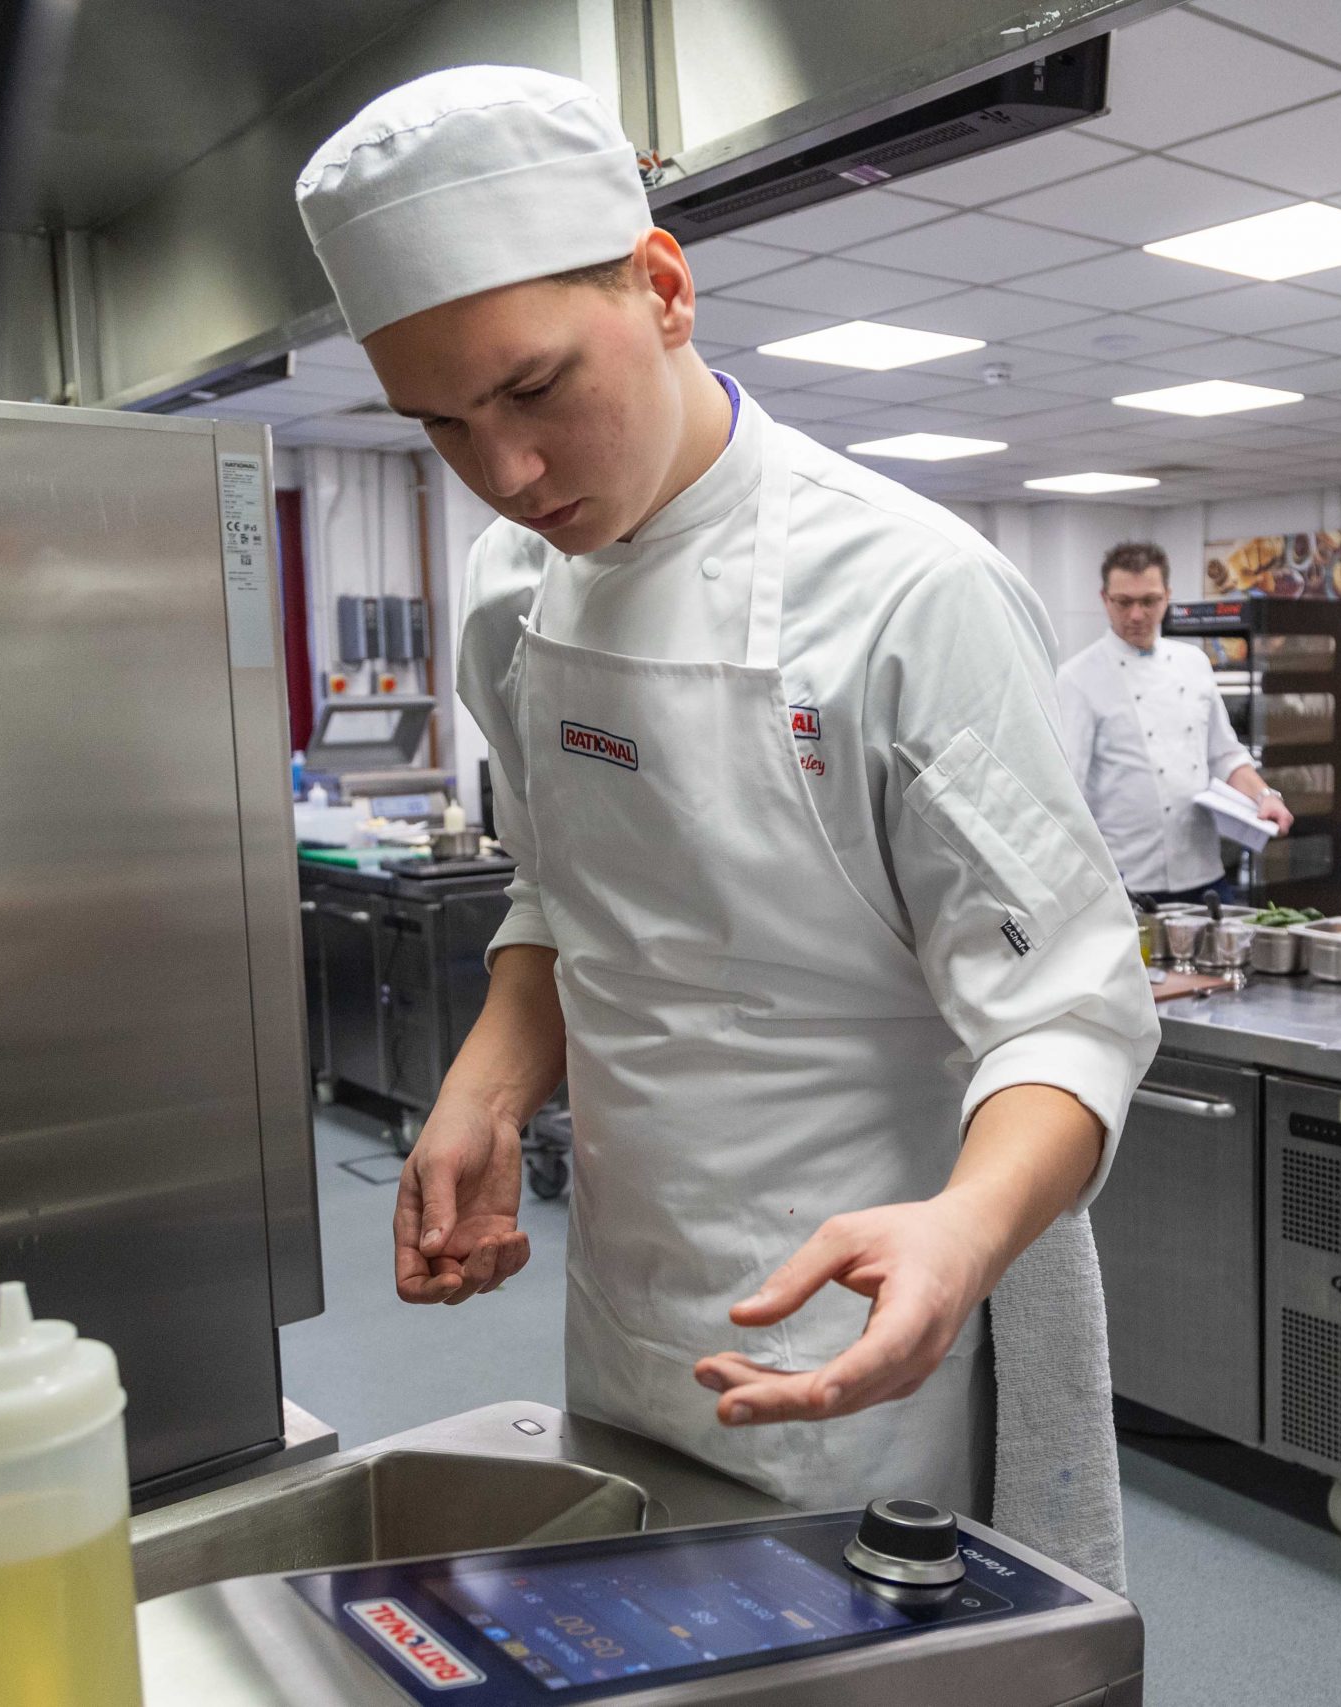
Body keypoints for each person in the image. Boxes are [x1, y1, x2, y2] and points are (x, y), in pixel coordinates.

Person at [294, 67, 1158, 1589]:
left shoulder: (908, 592)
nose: (504, 474)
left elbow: (1071, 1011)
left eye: (536, 389)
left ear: (666, 286)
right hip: (633, 1295)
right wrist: (487, 1090)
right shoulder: (509, 600)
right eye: (438, 424)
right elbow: (562, 891)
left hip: (888, 1312)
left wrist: (964, 1229)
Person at [1055, 542, 1293, 905]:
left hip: (1204, 872)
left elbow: (1226, 755)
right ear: (1105, 599)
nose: (1136, 614)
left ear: (1167, 597)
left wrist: (1265, 796)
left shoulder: (1193, 663)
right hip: (1127, 879)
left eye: (1149, 601)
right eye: (1123, 602)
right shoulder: (1077, 678)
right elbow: (1069, 787)